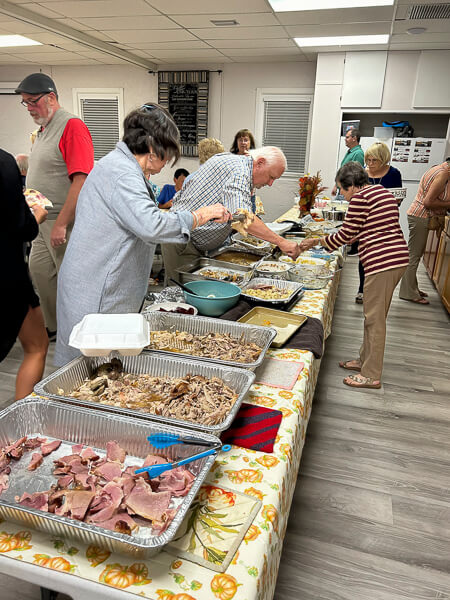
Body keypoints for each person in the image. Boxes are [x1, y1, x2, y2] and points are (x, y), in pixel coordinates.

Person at [55, 103, 230, 366]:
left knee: (102, 366)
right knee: (92, 371)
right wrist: (199, 216)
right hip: (99, 287)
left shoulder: (121, 166)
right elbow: (151, 224)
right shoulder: (121, 173)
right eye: (165, 156)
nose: (165, 165)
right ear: (151, 147)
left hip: (99, 279)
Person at [300, 162, 409, 390]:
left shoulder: (360, 198)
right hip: (396, 258)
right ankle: (364, 361)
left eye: (342, 189)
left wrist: (317, 242)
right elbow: (362, 230)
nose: (342, 195)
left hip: (382, 262)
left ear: (351, 186)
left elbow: (348, 234)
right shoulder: (380, 191)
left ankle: (371, 374)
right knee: (373, 316)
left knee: (374, 320)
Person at [15, 72, 94, 340]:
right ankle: (55, 327)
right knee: (39, 272)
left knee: (69, 281)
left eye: (33, 102)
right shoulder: (43, 129)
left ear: (50, 98)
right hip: (40, 220)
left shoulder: (71, 125)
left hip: (63, 221)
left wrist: (61, 224)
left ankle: (76, 334)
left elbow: (81, 179)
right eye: (25, 103)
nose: (29, 108)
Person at [162, 147, 302, 282]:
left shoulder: (232, 161)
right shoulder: (240, 173)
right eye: (271, 177)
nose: (270, 183)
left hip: (191, 239)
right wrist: (281, 242)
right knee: (183, 297)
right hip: (182, 239)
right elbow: (243, 218)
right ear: (260, 163)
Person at [0, 148, 49, 400]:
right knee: (36, 347)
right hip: (8, 277)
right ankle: (21, 424)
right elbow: (23, 226)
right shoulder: (3, 163)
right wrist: (37, 216)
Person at [353, 142, 403, 304]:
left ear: (384, 160)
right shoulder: (362, 173)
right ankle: (362, 289)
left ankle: (377, 290)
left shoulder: (394, 174)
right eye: (368, 160)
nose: (370, 164)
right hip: (365, 222)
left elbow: (398, 200)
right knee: (364, 256)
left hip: (385, 224)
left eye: (374, 160)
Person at [399, 158, 450, 305]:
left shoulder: (438, 168)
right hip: (421, 216)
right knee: (413, 255)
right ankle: (408, 293)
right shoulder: (443, 174)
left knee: (415, 254)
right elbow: (428, 202)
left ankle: (412, 287)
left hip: (418, 215)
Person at [331, 128, 365, 197]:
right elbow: (343, 172)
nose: (345, 139)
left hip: (348, 191)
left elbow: (357, 176)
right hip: (342, 189)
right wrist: (336, 186)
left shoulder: (358, 153)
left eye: (347, 137)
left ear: (354, 138)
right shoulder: (350, 152)